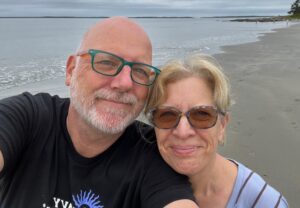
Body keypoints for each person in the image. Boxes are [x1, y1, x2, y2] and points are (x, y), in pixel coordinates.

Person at [0, 17, 198, 208]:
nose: (124, 84)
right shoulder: (28, 117)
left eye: (139, 70)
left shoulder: (152, 151)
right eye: (106, 63)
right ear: (70, 70)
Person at [145, 53, 288, 207]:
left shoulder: (264, 203)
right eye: (167, 115)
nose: (183, 132)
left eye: (202, 115)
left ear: (222, 125)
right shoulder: (136, 183)